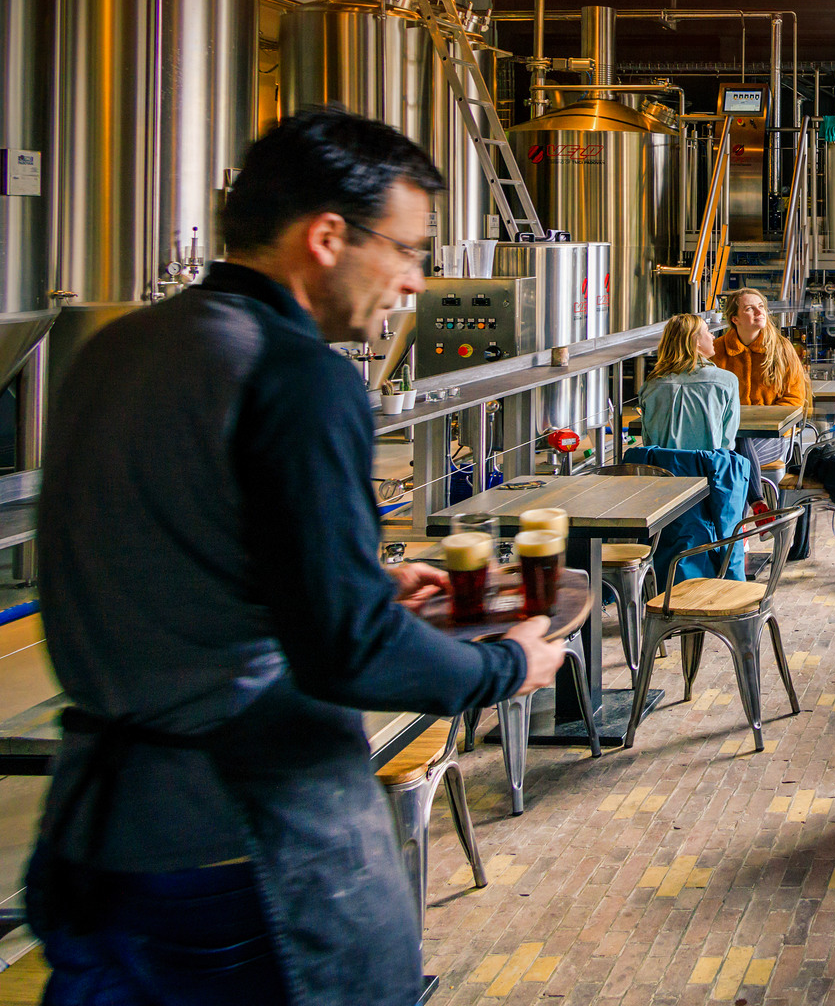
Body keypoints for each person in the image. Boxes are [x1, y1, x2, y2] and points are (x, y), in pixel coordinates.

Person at [28, 108, 567, 1006]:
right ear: (326, 236)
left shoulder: (117, 347)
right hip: (242, 852)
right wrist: (504, 667)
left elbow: (170, 556)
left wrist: (349, 573)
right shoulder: (297, 371)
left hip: (93, 836)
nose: (414, 283)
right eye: (408, 250)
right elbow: (348, 649)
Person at [714, 287, 811, 469]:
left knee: (734, 458)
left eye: (761, 306)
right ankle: (757, 497)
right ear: (735, 319)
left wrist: (762, 423)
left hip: (773, 436)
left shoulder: (782, 349)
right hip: (726, 435)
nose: (759, 312)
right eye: (749, 308)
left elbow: (795, 400)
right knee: (730, 454)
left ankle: (751, 497)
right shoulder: (716, 351)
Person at [636, 312, 740, 452]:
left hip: (663, 469)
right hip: (708, 468)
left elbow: (648, 440)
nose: (712, 336)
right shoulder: (726, 381)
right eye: (708, 332)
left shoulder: (651, 384)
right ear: (696, 341)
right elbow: (727, 442)